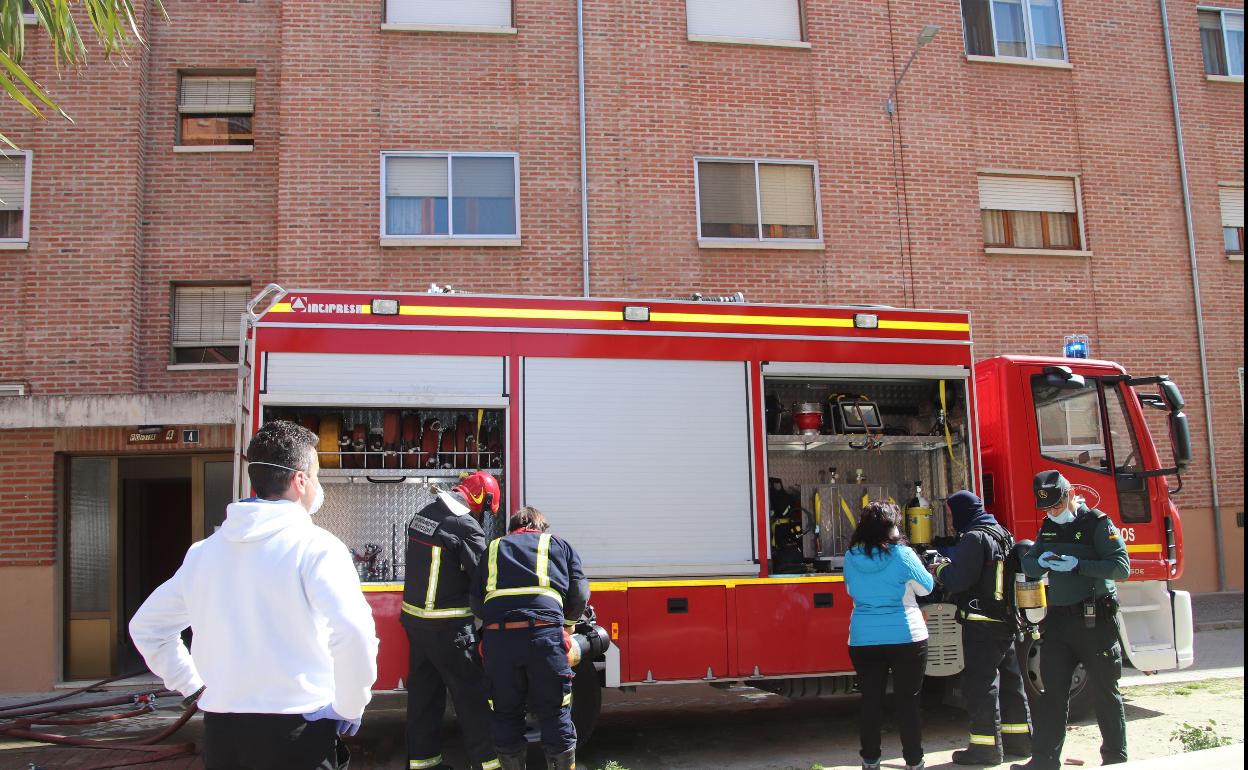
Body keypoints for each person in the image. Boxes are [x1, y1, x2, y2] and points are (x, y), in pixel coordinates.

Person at [130, 420, 379, 770]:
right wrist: (350, 706)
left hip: (222, 737)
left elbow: (148, 628)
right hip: (298, 734)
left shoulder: (204, 553)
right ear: (300, 480)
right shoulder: (317, 548)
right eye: (317, 475)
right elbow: (354, 633)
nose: (317, 485)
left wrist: (193, 686)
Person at [1013, 470, 1130, 770]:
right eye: (1046, 509)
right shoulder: (1049, 528)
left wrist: (1079, 565)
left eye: (1055, 506)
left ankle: (1115, 760)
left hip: (1095, 622)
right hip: (1059, 624)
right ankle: (1044, 760)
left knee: (1106, 693)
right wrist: (1036, 563)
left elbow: (1120, 567)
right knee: (1052, 695)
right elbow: (1029, 562)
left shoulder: (1097, 524)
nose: (1052, 513)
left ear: (1067, 496)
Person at [470, 506, 589, 770]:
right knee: (555, 712)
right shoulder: (559, 545)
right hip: (545, 638)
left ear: (512, 529)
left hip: (499, 642)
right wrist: (567, 626)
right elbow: (579, 594)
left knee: (505, 714)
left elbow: (476, 603)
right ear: (541, 528)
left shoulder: (492, 548)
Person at [403, 470, 500, 770]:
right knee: (472, 696)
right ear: (480, 499)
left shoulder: (425, 513)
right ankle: (489, 764)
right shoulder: (464, 525)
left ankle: (423, 764)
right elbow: (484, 577)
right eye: (486, 508)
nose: (483, 515)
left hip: (416, 622)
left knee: (424, 697)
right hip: (448, 626)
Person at [932, 490, 1032, 765]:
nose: (951, 520)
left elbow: (957, 580)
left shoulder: (974, 538)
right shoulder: (1002, 532)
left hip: (981, 624)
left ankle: (985, 748)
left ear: (963, 512)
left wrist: (939, 569)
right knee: (1012, 682)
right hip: (1006, 621)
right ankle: (1021, 742)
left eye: (952, 514)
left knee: (981, 685)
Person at [844, 501, 934, 770]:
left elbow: (850, 589)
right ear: (892, 527)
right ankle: (914, 761)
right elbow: (926, 588)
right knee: (908, 701)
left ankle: (870, 760)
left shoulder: (851, 556)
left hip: (863, 638)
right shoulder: (903, 554)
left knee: (870, 701)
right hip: (907, 635)